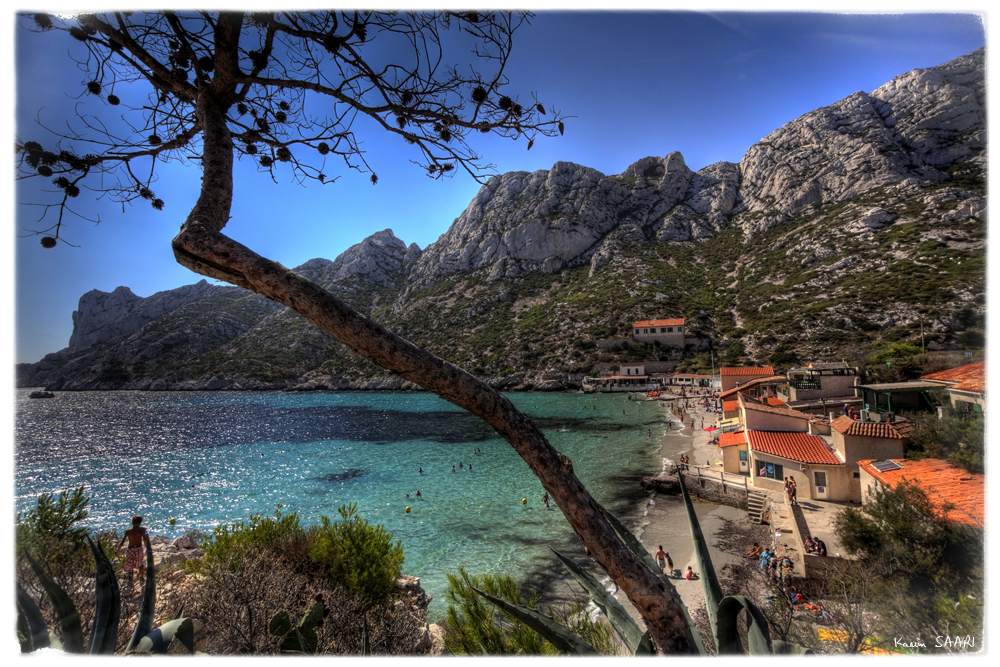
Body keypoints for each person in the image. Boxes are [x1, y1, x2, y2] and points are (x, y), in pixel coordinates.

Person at [115, 515, 152, 582]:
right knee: (140, 564)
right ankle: (141, 578)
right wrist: (147, 548)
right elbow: (144, 540)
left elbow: (122, 542)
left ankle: (130, 580)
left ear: (132, 522)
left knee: (129, 565)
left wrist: (118, 551)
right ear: (140, 522)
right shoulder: (142, 529)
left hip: (130, 549)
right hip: (139, 548)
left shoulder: (128, 531)